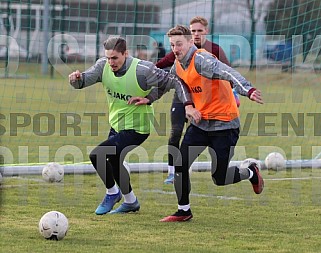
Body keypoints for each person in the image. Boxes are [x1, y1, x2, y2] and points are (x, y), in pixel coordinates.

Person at [129, 25, 264, 222]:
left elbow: (228, 72)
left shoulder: (202, 59)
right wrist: (149, 98)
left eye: (180, 44)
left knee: (220, 178)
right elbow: (169, 84)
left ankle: (251, 172)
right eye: (173, 45)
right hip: (200, 124)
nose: (176, 49)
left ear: (191, 42)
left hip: (224, 124)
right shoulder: (177, 64)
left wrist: (248, 90)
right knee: (180, 164)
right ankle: (184, 211)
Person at [68, 37, 199, 215]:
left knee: (97, 155)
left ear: (125, 54)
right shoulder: (102, 66)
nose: (111, 62)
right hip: (117, 124)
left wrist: (185, 105)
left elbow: (176, 82)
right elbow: (82, 82)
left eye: (115, 58)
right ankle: (130, 202)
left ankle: (112, 193)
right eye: (108, 57)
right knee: (114, 161)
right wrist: (75, 79)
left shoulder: (143, 70)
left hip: (137, 128)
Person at [154, 16, 240, 184]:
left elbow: (228, 73)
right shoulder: (180, 49)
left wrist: (234, 93)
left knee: (203, 142)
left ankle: (188, 168)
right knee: (176, 132)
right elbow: (161, 65)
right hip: (183, 98)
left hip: (208, 105)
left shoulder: (213, 50)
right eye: (193, 31)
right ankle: (174, 172)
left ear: (206, 31)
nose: (196, 34)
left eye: (199, 31)